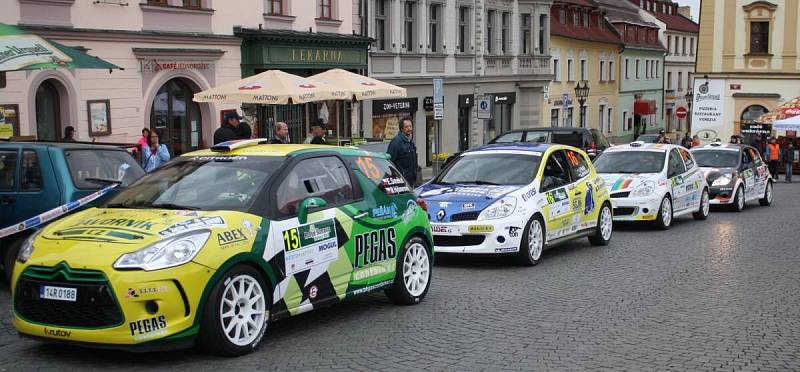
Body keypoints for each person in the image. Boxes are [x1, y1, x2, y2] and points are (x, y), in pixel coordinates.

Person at [387, 117, 419, 186]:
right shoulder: (396, 142)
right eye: (406, 127)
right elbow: (389, 162)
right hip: (401, 181)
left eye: (410, 126)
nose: (409, 129)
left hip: (410, 181)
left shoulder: (410, 142)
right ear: (401, 128)